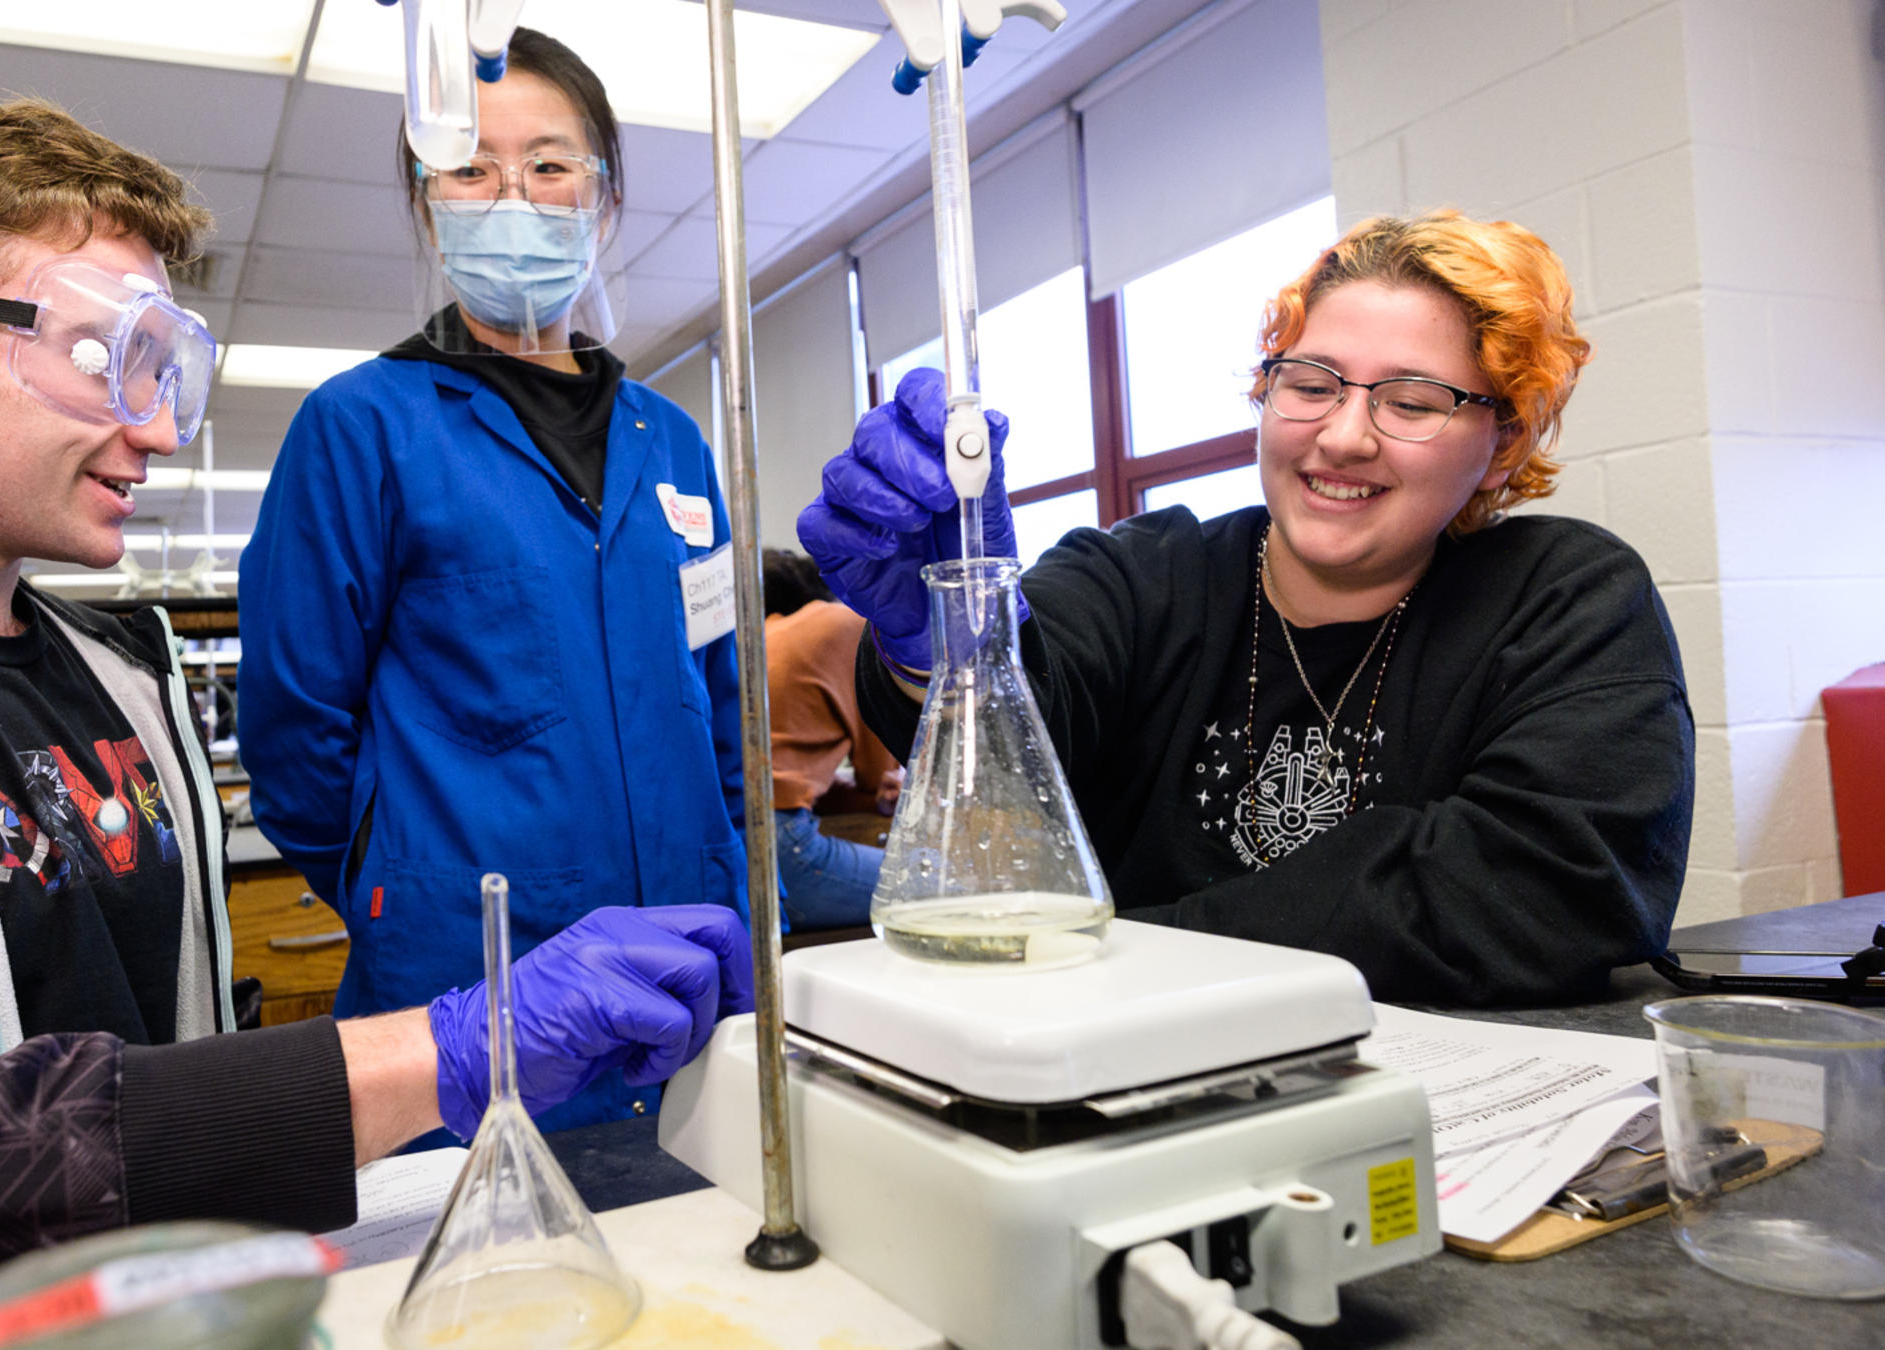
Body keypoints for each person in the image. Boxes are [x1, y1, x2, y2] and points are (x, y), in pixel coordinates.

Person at [0, 71, 750, 1349]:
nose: (154, 429)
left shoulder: (119, 680)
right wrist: (426, 1056)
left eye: (171, 367)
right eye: (108, 355)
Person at [800, 210, 1694, 1004]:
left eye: (1413, 401)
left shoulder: (1560, 597)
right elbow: (1031, 718)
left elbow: (1550, 892)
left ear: (1501, 446)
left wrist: (1125, 946)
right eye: (1311, 384)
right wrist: (957, 636)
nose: (1343, 437)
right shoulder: (1144, 574)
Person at [237, 29, 747, 1129]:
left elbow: (718, 708)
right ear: (430, 206)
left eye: (551, 165)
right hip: (470, 983)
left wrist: (748, 896)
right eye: (472, 167)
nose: (513, 195)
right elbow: (292, 734)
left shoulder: (675, 444)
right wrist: (401, 886)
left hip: (692, 962)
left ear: (603, 203)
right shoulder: (362, 426)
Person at [762, 549, 901, 928]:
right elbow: (884, 780)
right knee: (955, 884)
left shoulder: (759, 639)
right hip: (782, 855)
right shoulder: (843, 623)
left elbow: (784, 782)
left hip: (732, 850)